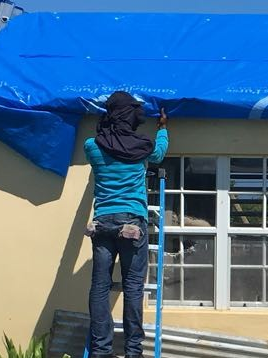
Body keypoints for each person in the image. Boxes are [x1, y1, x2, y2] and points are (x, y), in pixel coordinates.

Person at [83, 91, 169, 358]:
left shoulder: (92, 146)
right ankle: (133, 352)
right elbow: (159, 153)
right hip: (132, 222)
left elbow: (102, 138)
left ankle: (100, 351)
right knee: (133, 288)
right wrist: (163, 128)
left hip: (102, 223)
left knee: (100, 287)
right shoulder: (142, 146)